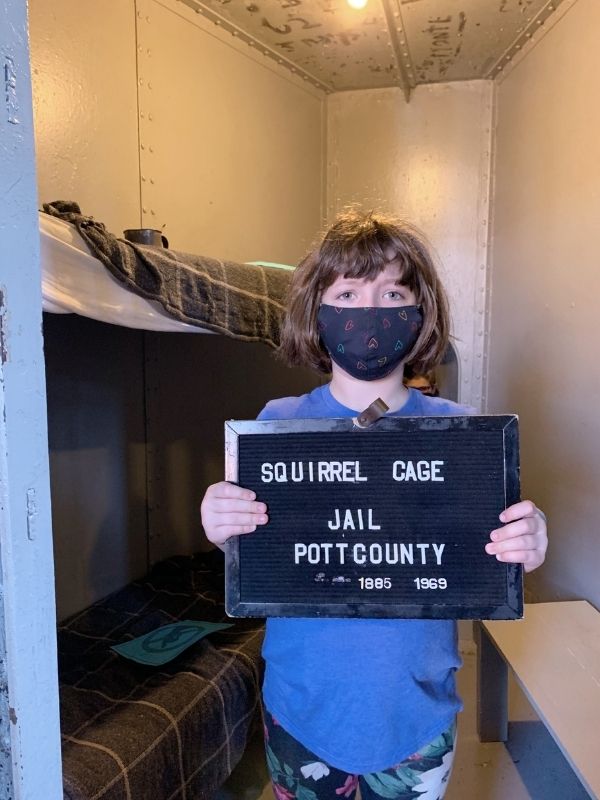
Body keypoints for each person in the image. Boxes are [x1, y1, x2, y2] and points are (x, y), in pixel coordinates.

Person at [201, 211, 548, 800]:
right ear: (318, 311)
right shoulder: (275, 425)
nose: (369, 311)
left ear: (420, 313)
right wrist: (221, 525)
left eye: (392, 293)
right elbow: (255, 546)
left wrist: (526, 541)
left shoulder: (463, 436)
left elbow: (489, 556)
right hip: (300, 711)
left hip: (417, 717)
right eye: (348, 293)